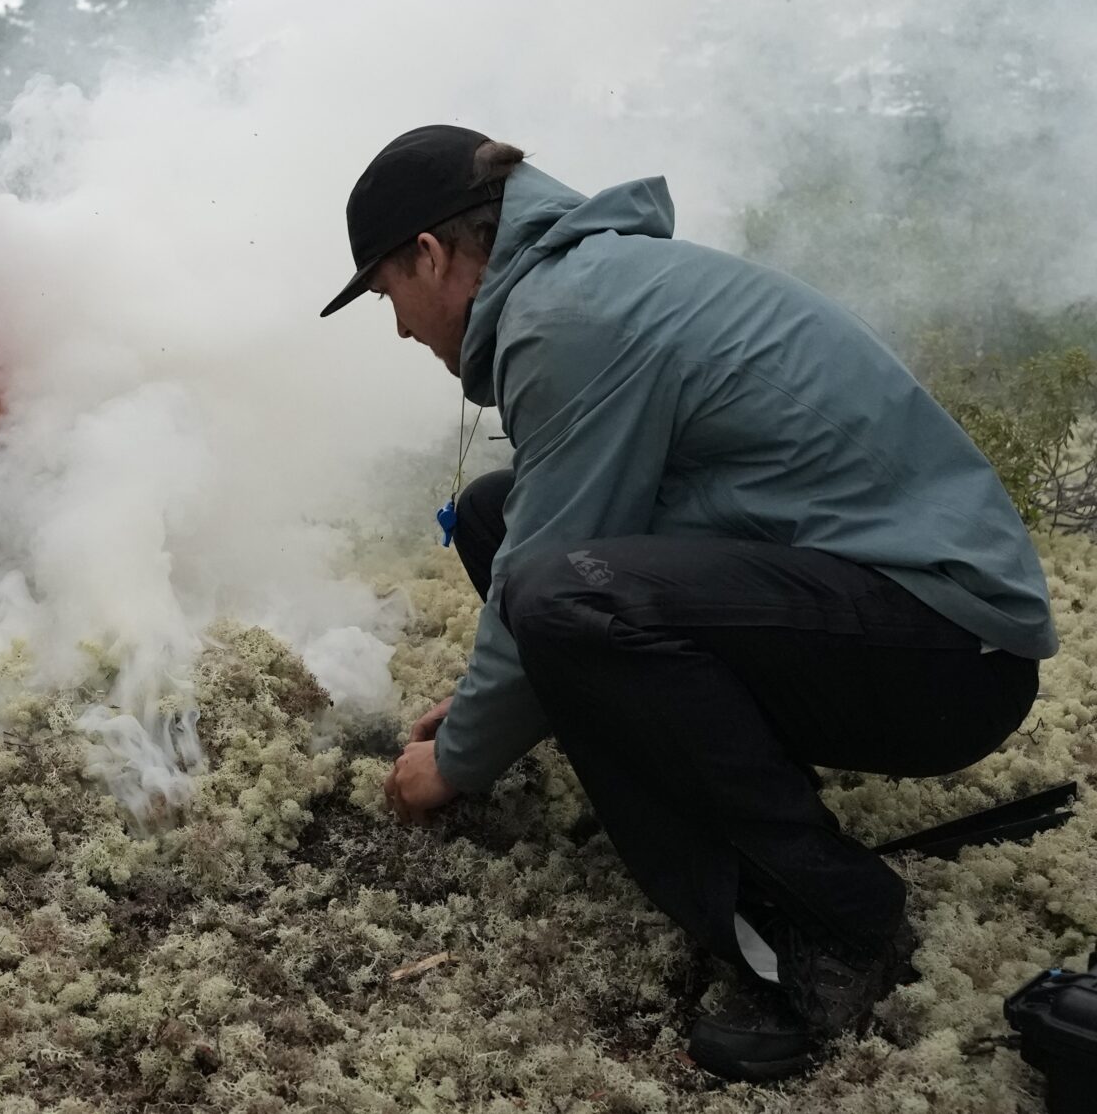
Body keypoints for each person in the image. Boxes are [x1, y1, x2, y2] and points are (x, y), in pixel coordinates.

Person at [322, 125, 1055, 1082]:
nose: (403, 329)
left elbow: (559, 572)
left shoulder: (567, 314)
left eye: (388, 295)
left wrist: (452, 766)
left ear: (431, 254)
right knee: (495, 518)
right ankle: (716, 784)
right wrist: (481, 711)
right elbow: (552, 528)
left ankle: (829, 926)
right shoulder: (587, 284)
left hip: (950, 651)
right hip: (880, 611)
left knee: (560, 595)